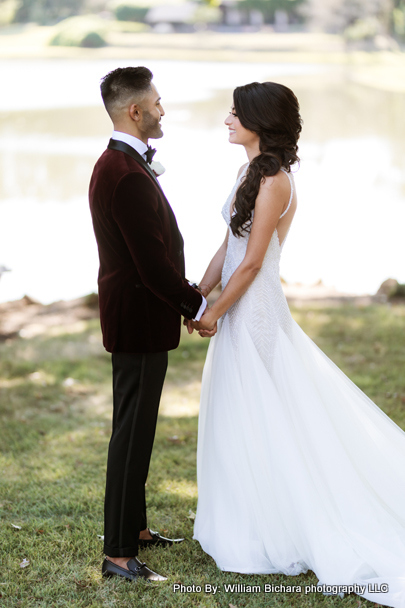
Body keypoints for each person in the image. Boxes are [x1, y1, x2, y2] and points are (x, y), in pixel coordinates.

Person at [188, 81, 405, 608]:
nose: (227, 120)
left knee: (267, 410)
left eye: (236, 113)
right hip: (237, 304)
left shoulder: (276, 183)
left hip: (257, 310)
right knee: (241, 412)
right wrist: (198, 292)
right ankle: (252, 509)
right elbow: (229, 245)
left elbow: (256, 261)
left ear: (261, 121)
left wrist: (217, 310)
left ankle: (280, 520)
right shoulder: (247, 173)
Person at [88, 66, 206, 582]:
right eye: (157, 102)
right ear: (134, 110)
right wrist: (197, 306)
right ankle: (117, 554)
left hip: (137, 317)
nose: (163, 109)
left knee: (137, 430)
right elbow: (151, 265)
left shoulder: (117, 165)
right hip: (137, 319)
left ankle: (134, 528)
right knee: (131, 434)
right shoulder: (126, 174)